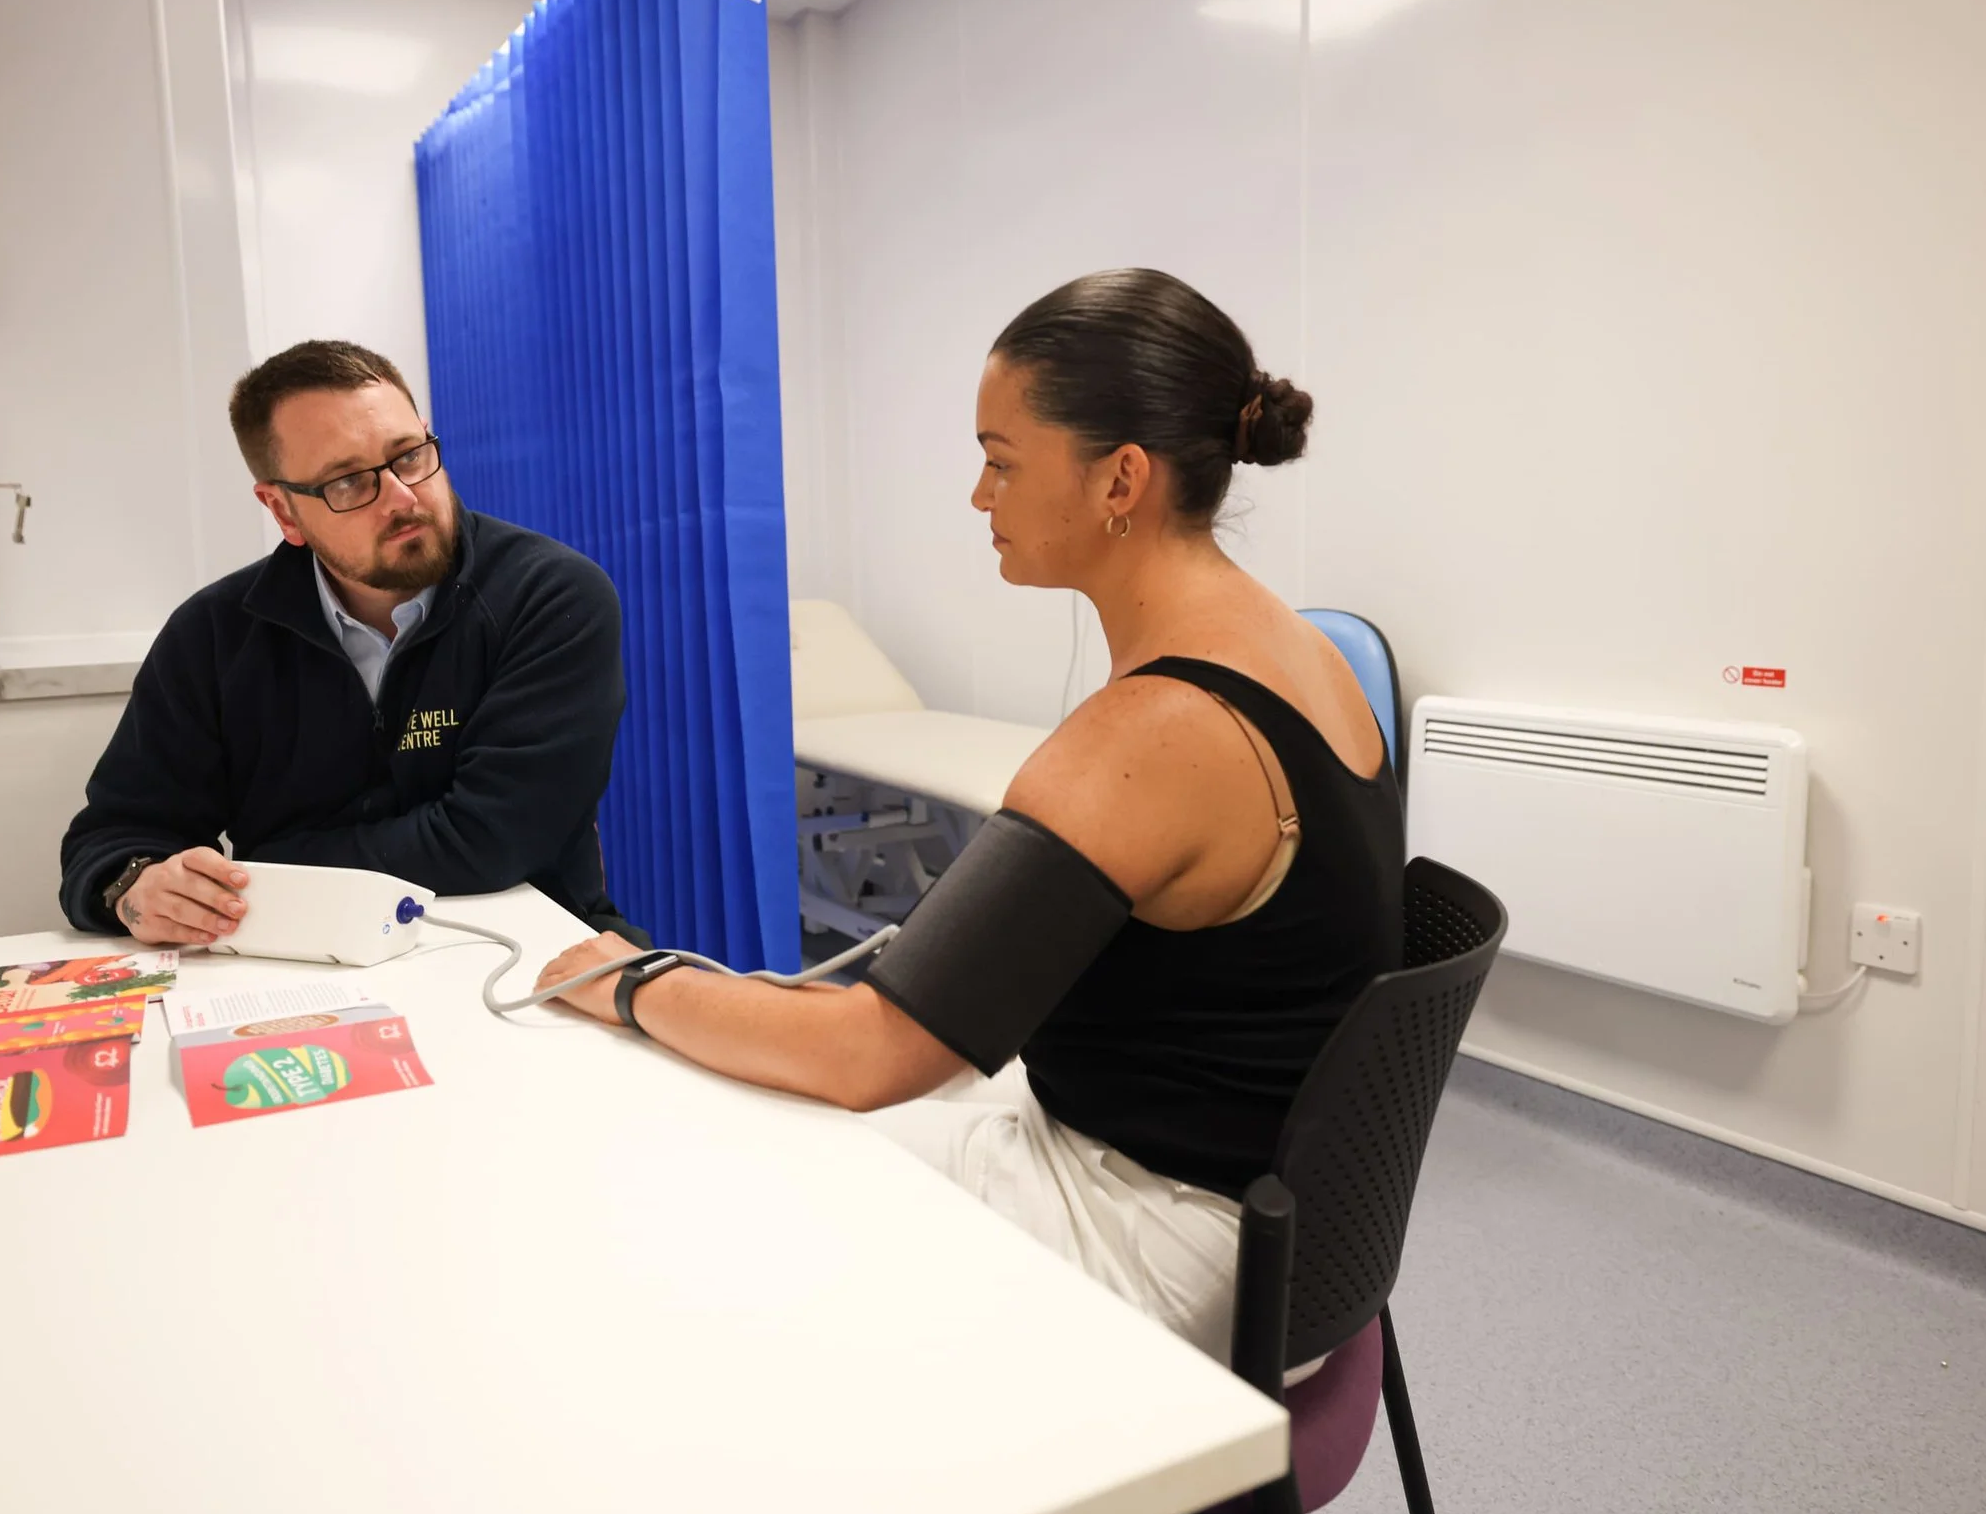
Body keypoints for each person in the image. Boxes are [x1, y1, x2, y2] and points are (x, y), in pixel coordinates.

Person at [534, 269, 1402, 1363]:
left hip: (1164, 1231)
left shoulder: (1154, 727)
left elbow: (871, 1052)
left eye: (1000, 462)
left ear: (1119, 479)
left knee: (718, 1226)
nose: (978, 497)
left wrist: (627, 979)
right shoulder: (1300, 645)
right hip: (1270, 1210)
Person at [60, 339, 639, 948]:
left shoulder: (549, 596)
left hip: (534, 954)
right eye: (348, 482)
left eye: (410, 456)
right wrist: (137, 887)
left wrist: (267, 867)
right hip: (298, 967)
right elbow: (111, 840)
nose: (403, 497)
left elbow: (492, 842)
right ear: (283, 510)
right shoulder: (213, 635)